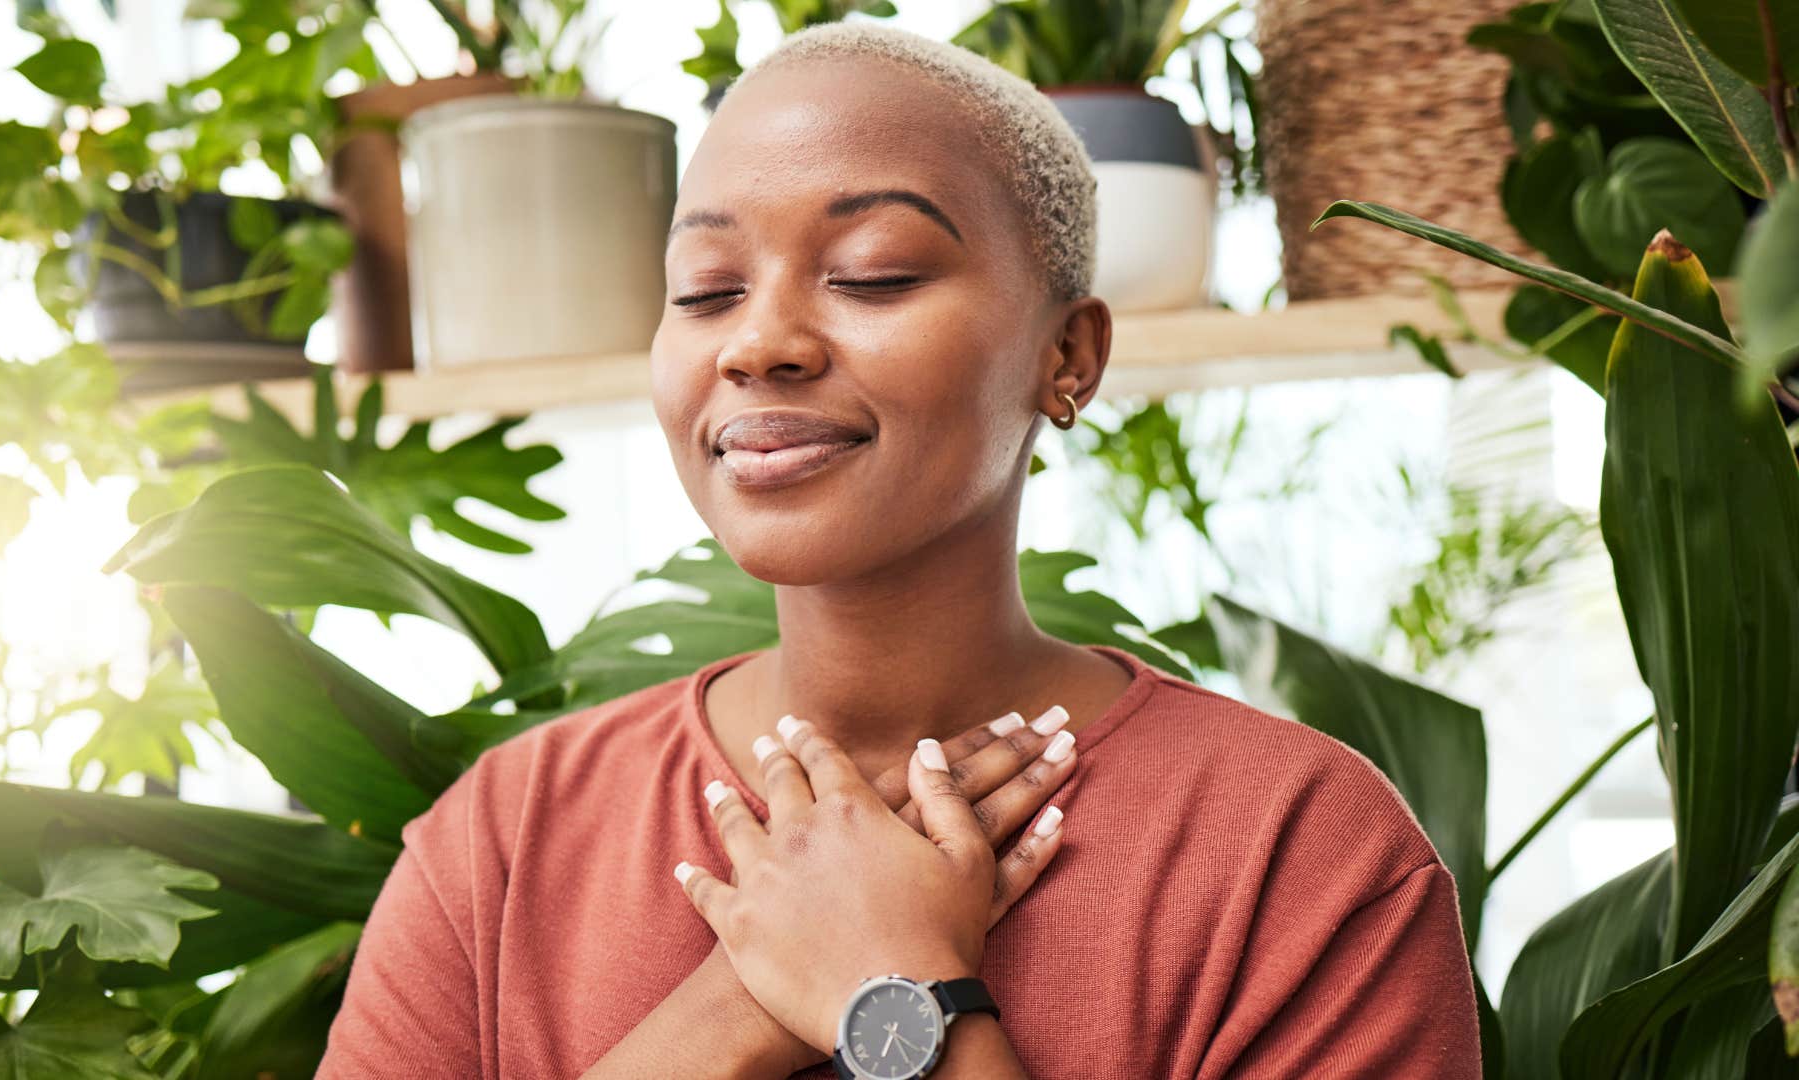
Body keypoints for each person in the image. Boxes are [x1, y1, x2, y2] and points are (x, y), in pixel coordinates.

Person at [317, 21, 1483, 1080]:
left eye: (872, 272)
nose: (759, 342)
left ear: (1066, 356)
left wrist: (911, 999)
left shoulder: (1301, 854)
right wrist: (740, 1002)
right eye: (707, 290)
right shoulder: (507, 838)